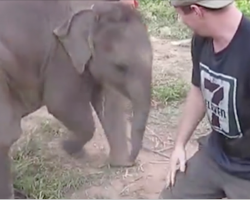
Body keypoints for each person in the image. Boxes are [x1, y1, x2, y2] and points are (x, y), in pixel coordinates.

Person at [159, 0, 250, 198]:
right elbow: (199, 90)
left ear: (196, 10)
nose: (179, 20)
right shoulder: (201, 41)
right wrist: (179, 145)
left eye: (180, 14)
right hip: (216, 156)